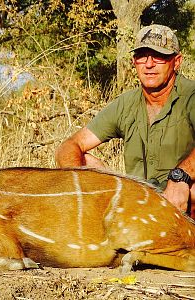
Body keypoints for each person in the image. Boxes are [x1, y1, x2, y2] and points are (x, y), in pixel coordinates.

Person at [55, 24, 195, 218]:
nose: (149, 64)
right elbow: (70, 145)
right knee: (84, 160)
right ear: (134, 62)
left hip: (181, 205)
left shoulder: (191, 95)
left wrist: (181, 176)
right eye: (142, 56)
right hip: (139, 203)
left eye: (158, 56)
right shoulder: (126, 103)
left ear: (176, 62)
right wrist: (81, 178)